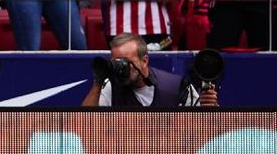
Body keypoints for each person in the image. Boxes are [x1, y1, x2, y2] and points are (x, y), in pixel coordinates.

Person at [81, 33, 217, 107]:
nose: (120, 68)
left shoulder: (175, 86)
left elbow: (204, 132)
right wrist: (98, 83)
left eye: (126, 62)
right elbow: (85, 125)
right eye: (116, 63)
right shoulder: (110, 87)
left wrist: (209, 106)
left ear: (144, 61)